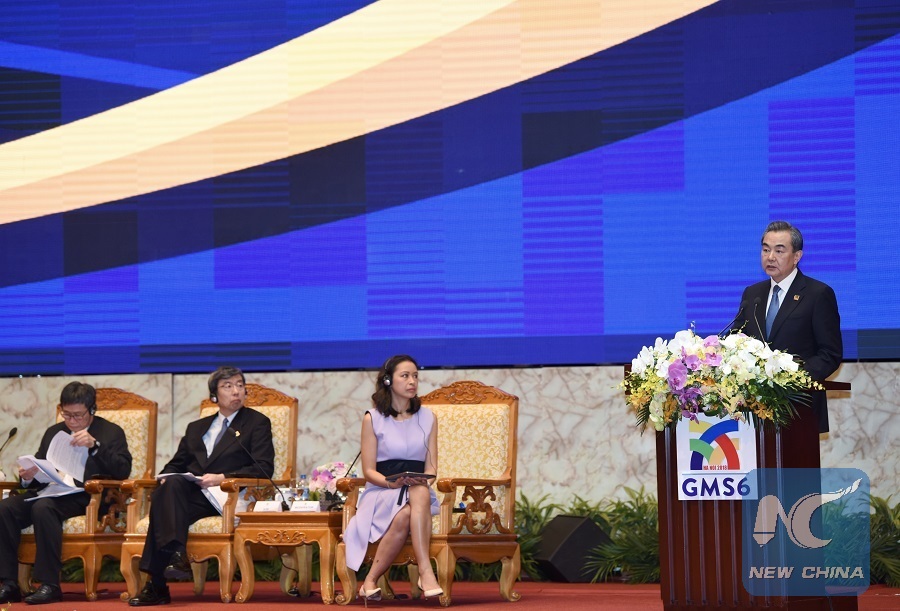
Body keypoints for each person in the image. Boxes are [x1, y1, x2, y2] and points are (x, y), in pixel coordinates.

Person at [128, 366, 275, 607]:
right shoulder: (196, 428)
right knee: (170, 485)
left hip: (226, 496)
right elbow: (175, 464)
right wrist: (165, 477)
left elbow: (264, 468)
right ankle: (176, 556)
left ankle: (157, 585)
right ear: (214, 396)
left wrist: (221, 477)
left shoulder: (256, 423)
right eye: (228, 386)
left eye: (240, 385)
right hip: (192, 494)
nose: (236, 391)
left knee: (164, 506)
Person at [0, 382, 131, 605]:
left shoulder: (110, 432)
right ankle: (9, 583)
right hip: (51, 491)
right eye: (67, 414)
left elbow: (122, 470)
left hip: (87, 495)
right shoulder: (54, 432)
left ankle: (49, 584)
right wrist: (28, 476)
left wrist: (95, 446)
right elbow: (40, 469)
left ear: (92, 409)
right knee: (5, 508)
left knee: (43, 508)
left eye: (78, 415)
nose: (72, 421)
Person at [342, 355, 443, 601]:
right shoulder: (373, 418)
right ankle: (425, 572)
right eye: (405, 376)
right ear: (388, 380)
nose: (412, 381)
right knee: (413, 501)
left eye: (415, 376)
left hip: (417, 490)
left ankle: (370, 581)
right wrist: (391, 483)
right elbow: (369, 470)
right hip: (382, 491)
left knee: (417, 496)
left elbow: (431, 467)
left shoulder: (428, 417)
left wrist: (424, 481)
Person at [734, 220, 842, 432]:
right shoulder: (752, 294)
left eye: (779, 250)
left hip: (800, 407)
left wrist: (790, 378)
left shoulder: (818, 294)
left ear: (797, 256)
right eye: (766, 249)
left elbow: (830, 353)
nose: (770, 257)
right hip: (754, 411)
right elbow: (737, 339)